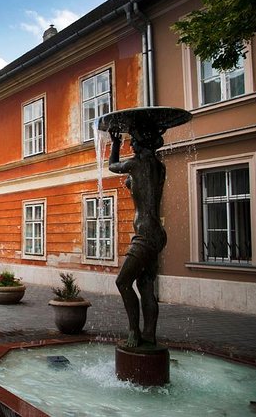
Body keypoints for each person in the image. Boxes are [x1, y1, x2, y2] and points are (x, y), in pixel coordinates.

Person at [108, 129, 166, 348]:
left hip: (144, 233)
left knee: (123, 282)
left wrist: (114, 144)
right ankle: (149, 334)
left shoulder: (136, 164)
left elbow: (113, 166)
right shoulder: (159, 167)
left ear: (142, 145)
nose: (131, 147)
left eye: (134, 143)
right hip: (158, 234)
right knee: (145, 284)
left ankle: (133, 331)